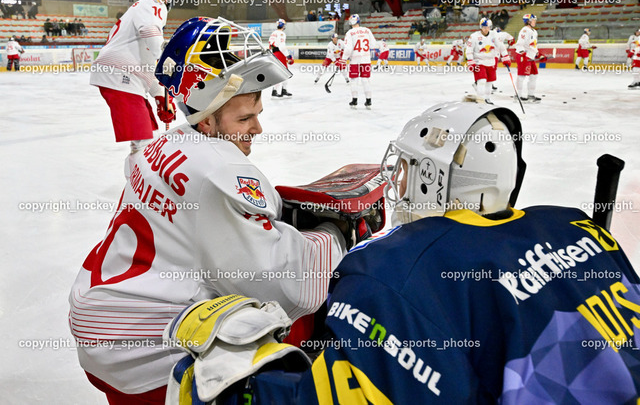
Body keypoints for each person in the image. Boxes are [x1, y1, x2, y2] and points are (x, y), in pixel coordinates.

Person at [165, 100, 640, 404]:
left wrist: (236, 386)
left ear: (436, 179)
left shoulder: (398, 270)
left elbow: (350, 395)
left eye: (412, 169)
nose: (400, 181)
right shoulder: (576, 224)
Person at [69, 16, 348, 405]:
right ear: (208, 111)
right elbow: (282, 284)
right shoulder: (220, 173)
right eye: (245, 118)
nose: (257, 129)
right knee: (284, 321)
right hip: (141, 352)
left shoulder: (162, 143)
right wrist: (333, 238)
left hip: (100, 315)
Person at [90, 0, 176, 155]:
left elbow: (148, 67)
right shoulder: (153, 2)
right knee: (146, 145)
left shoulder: (136, 18)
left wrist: (160, 97)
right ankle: (141, 181)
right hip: (121, 75)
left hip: (125, 76)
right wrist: (165, 59)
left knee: (149, 136)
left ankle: (136, 180)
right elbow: (150, 30)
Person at [466, 18, 510, 104]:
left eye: (488, 27)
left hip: (491, 62)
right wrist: (471, 61)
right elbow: (469, 49)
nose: (486, 29)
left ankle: (487, 98)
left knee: (489, 82)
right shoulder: (474, 36)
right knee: (482, 81)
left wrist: (505, 57)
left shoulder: (494, 35)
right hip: (479, 61)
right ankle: (480, 100)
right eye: (484, 27)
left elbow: (501, 46)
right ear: (481, 27)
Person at [341, 14, 376, 109]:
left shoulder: (350, 33)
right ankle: (368, 100)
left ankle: (354, 100)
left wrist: (343, 59)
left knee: (354, 80)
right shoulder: (367, 30)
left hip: (354, 60)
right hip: (366, 59)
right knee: (365, 80)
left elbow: (348, 49)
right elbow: (373, 45)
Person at [514, 13, 542, 102]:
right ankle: (518, 95)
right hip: (524, 56)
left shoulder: (534, 31)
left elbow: (533, 45)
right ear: (528, 21)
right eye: (533, 20)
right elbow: (519, 43)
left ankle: (531, 95)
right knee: (521, 76)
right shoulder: (525, 30)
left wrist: (537, 53)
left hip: (531, 56)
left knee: (534, 75)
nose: (535, 22)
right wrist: (522, 54)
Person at [268, 18, 294, 98]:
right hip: (280, 54)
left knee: (281, 73)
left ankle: (282, 90)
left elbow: (270, 45)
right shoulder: (281, 34)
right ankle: (277, 90)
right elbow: (282, 46)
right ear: (283, 26)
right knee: (283, 73)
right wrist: (288, 56)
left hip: (274, 53)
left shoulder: (273, 33)